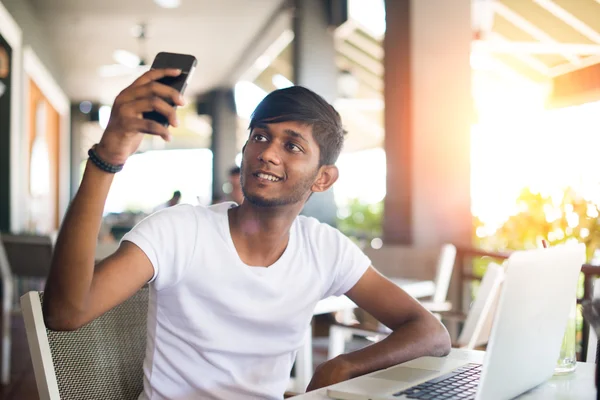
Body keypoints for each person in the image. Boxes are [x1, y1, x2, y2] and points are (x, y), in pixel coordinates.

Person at [43, 68, 450, 400]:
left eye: (292, 146)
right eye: (260, 136)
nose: (268, 152)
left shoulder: (324, 247)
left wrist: (341, 366)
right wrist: (108, 158)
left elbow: (429, 332)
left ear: (323, 178)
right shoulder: (179, 231)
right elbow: (64, 314)